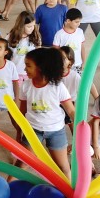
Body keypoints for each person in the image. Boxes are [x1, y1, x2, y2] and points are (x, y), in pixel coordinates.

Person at [18, 48, 75, 179]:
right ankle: (7, 190)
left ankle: (70, 194)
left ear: (41, 68)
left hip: (56, 131)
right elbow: (21, 111)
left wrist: (80, 129)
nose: (25, 69)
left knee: (63, 167)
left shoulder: (58, 86)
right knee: (22, 164)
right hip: (33, 130)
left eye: (28, 66)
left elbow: (71, 110)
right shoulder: (26, 86)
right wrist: (20, 131)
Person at [7, 11, 41, 86]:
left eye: (33, 25)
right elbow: (6, 55)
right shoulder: (11, 37)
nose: (32, 28)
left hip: (31, 72)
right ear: (21, 26)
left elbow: (39, 54)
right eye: (29, 26)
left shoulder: (35, 36)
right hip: (15, 72)